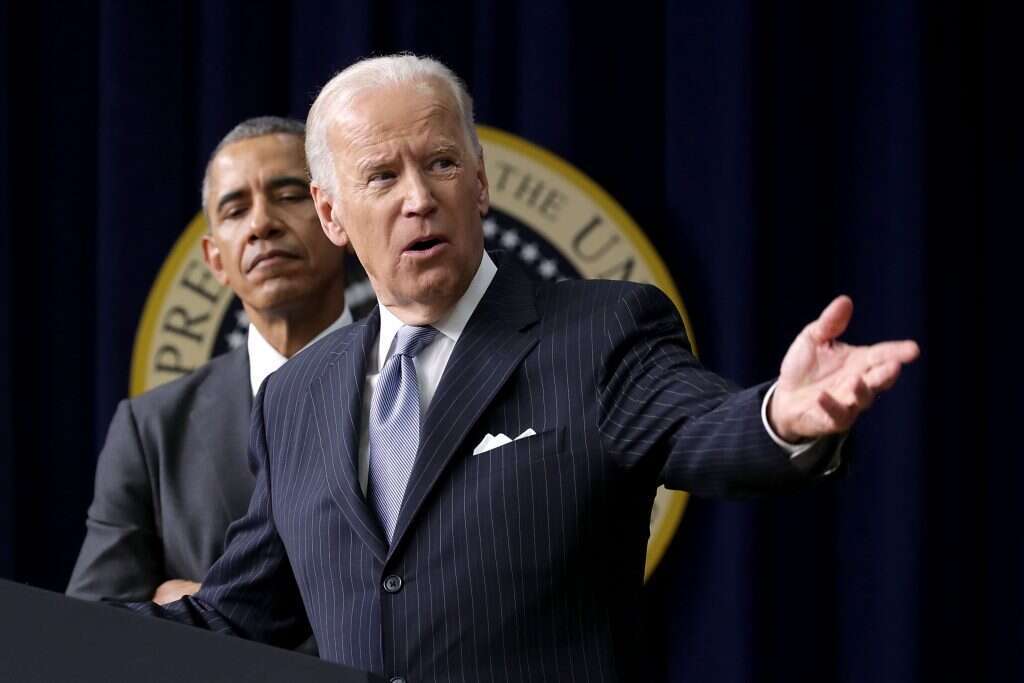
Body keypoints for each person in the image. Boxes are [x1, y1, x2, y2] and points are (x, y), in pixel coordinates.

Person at [129, 56, 919, 682]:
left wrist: (781, 414)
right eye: (381, 176)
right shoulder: (296, 396)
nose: (418, 198)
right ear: (333, 214)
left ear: (479, 181)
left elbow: (700, 427)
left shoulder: (600, 329)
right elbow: (237, 612)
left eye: (439, 163)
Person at [67, 116, 351, 606]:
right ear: (215, 259)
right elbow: (90, 629)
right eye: (236, 210)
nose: (262, 223)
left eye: (287, 196)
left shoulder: (408, 379)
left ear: (335, 217)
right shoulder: (151, 429)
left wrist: (214, 610)